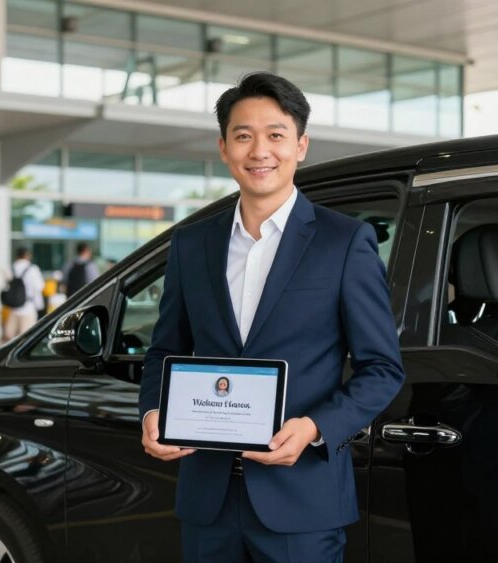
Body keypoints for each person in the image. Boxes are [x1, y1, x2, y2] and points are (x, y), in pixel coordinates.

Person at [139, 72, 405, 563]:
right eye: (244, 136)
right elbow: (164, 350)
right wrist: (154, 411)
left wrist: (314, 428)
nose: (259, 150)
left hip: (301, 500)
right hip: (208, 499)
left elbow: (383, 369)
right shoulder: (191, 244)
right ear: (224, 148)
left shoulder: (343, 241)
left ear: (301, 145)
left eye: (276, 135)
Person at [3, 247, 45, 341]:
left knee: (10, 339)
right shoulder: (32, 269)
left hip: (13, 308)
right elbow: (40, 287)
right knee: (26, 339)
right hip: (28, 308)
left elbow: (5, 287)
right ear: (27, 255)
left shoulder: (10, 268)